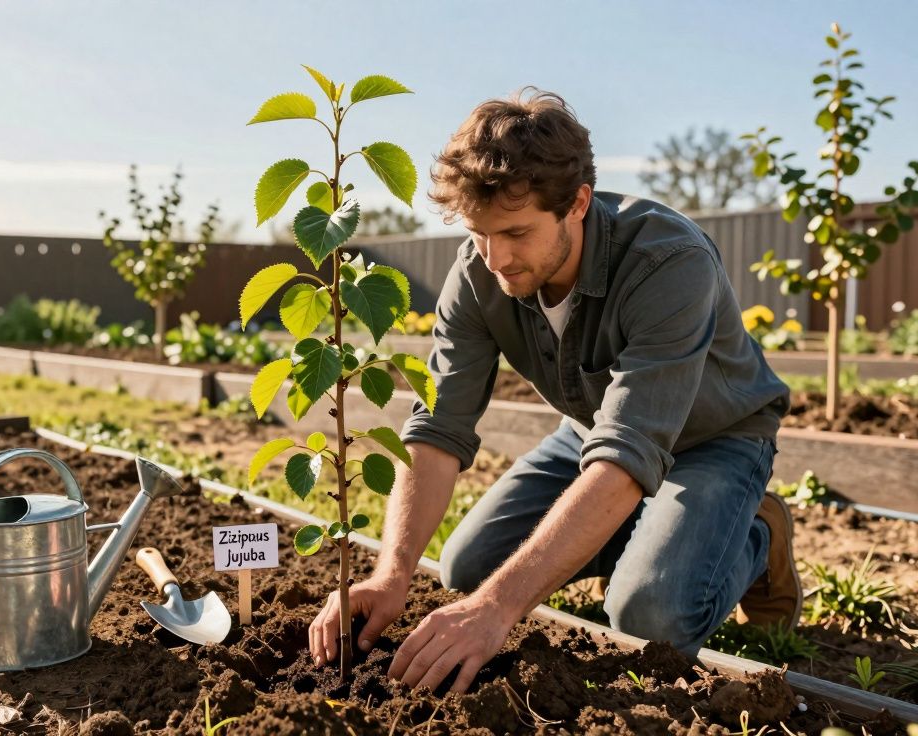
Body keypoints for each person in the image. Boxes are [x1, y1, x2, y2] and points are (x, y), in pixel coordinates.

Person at [307, 88, 797, 694]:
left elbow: (629, 450)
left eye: (516, 232)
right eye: (480, 233)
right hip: (594, 434)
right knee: (467, 569)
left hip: (715, 441)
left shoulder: (668, 262)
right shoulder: (476, 273)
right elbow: (437, 429)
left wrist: (498, 611)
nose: (495, 258)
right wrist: (391, 571)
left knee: (649, 616)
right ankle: (634, 528)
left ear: (578, 203)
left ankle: (759, 534)